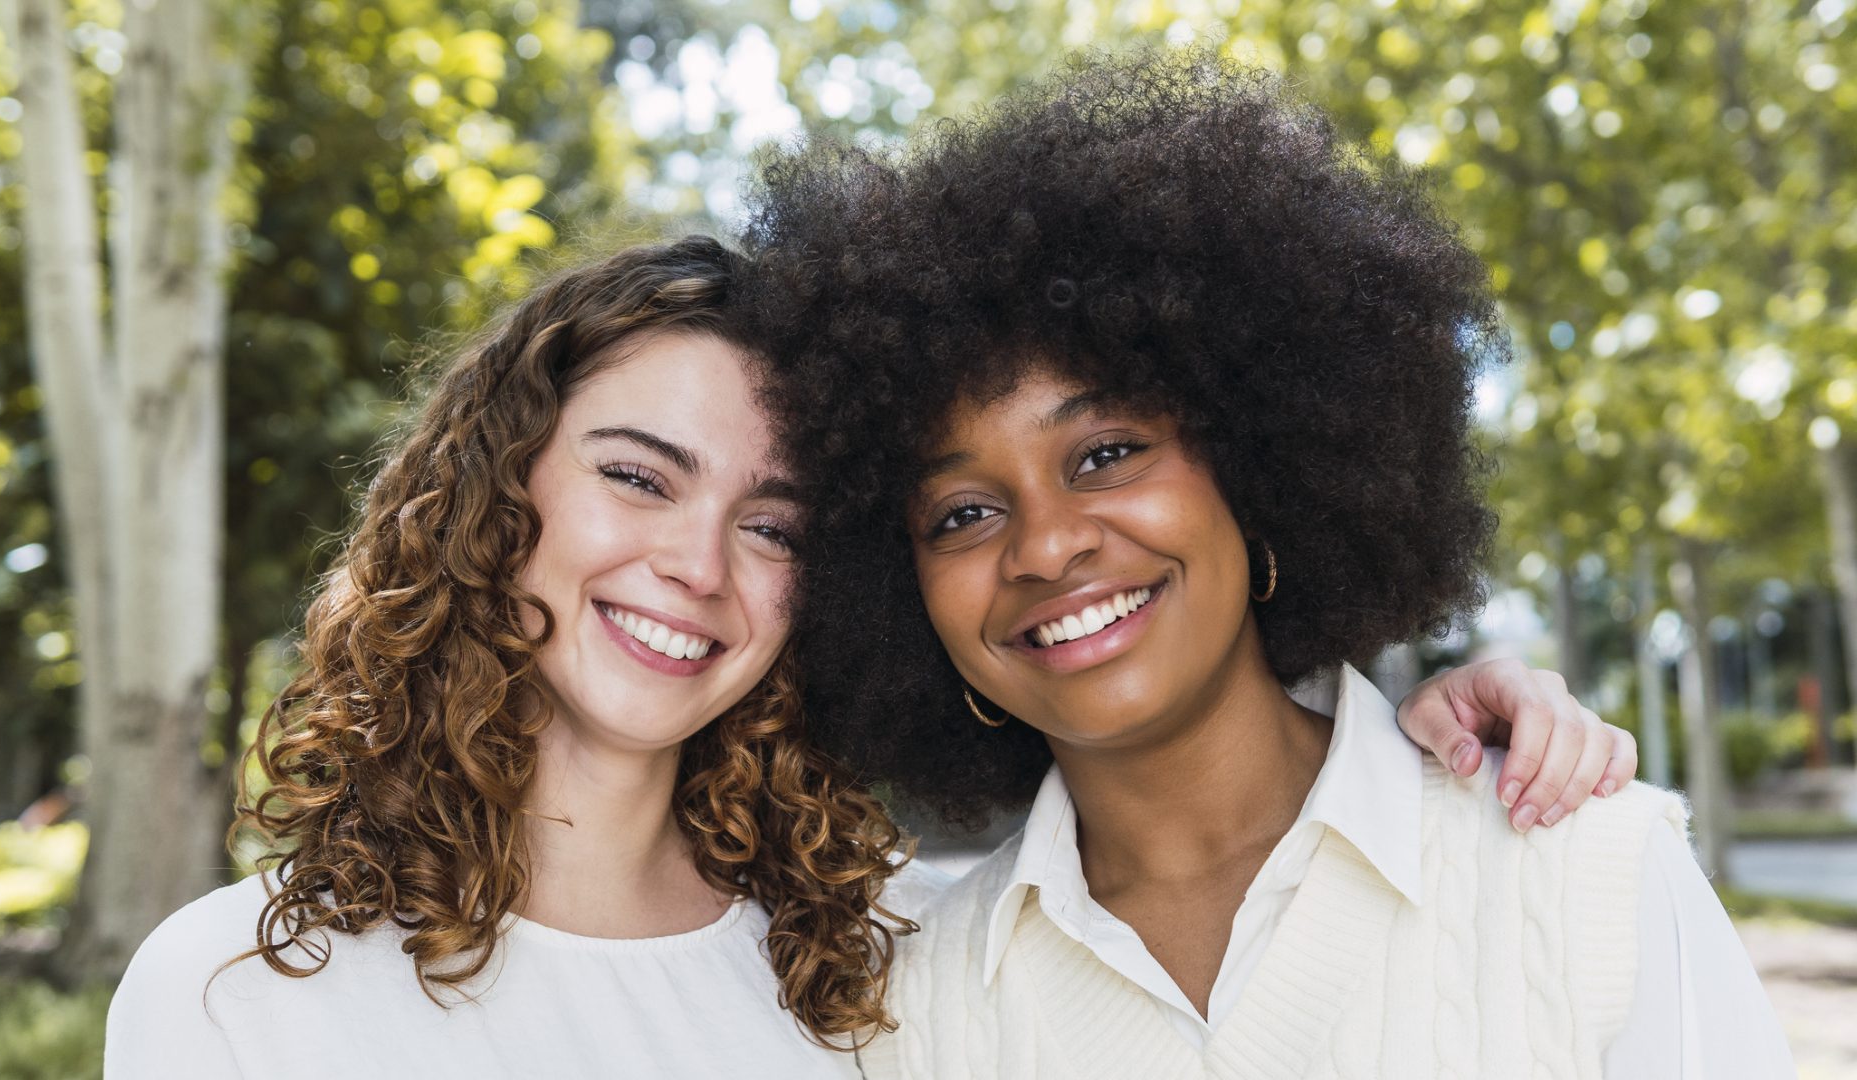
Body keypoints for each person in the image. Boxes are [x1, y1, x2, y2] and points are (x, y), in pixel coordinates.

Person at [105, 242, 1628, 1075]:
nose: (693, 568)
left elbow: (1197, 820)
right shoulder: (241, 997)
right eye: (638, 478)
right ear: (495, 499)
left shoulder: (899, 969)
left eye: (769, 524)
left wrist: (1437, 737)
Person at [739, 49, 1794, 1077]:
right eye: (962, 513)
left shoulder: (1580, 873)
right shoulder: (910, 1016)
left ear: (1255, 465)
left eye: (1106, 454)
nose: (1048, 544)